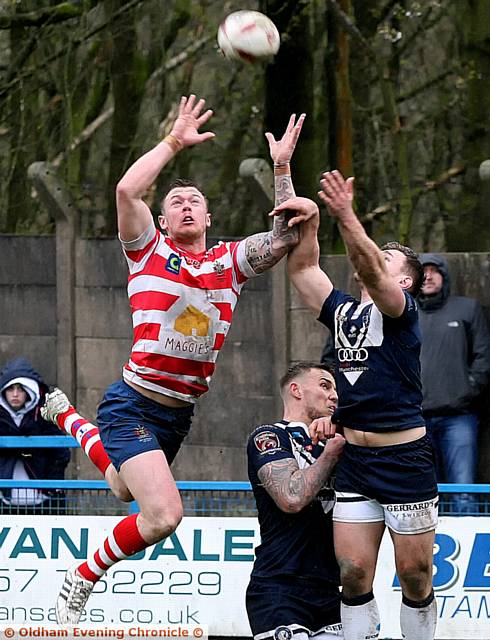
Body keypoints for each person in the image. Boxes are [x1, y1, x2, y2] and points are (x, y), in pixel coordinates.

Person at [41, 94, 313, 625]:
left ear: (209, 216)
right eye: (175, 201)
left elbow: (285, 234)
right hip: (133, 405)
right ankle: (83, 576)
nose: (186, 203)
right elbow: (125, 189)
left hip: (177, 413)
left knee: (123, 487)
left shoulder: (228, 262)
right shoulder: (147, 250)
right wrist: (172, 141)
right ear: (161, 222)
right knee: (163, 515)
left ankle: (68, 417)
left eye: (195, 199)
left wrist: (282, 167)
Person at [280, 171, 438, 640]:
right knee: (351, 573)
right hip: (355, 460)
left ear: (406, 279)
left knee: (414, 575)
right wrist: (308, 223)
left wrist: (346, 214)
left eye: (388, 257)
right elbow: (305, 272)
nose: (374, 259)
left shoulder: (402, 310)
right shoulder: (345, 312)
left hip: (404, 459)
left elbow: (370, 268)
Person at [246, 361, 344, 640]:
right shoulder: (270, 436)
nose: (334, 395)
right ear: (296, 390)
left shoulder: (342, 439)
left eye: (336, 389)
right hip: (280, 587)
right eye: (325, 386)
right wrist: (331, 455)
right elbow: (291, 497)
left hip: (330, 591)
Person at [418, 253, 490, 514]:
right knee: (423, 495)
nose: (427, 276)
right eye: (421, 271)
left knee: (463, 491)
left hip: (459, 417)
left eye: (433, 270)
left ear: (444, 275)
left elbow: (484, 356)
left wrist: (466, 389)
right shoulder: (405, 314)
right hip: (415, 421)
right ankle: (426, 552)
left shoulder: (467, 309)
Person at [0, 358, 70, 514]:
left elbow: (61, 453)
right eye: (11, 389)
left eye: (21, 389)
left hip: (42, 501)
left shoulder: (44, 417)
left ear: (29, 391)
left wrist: (52, 485)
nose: (15, 394)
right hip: (5, 500)